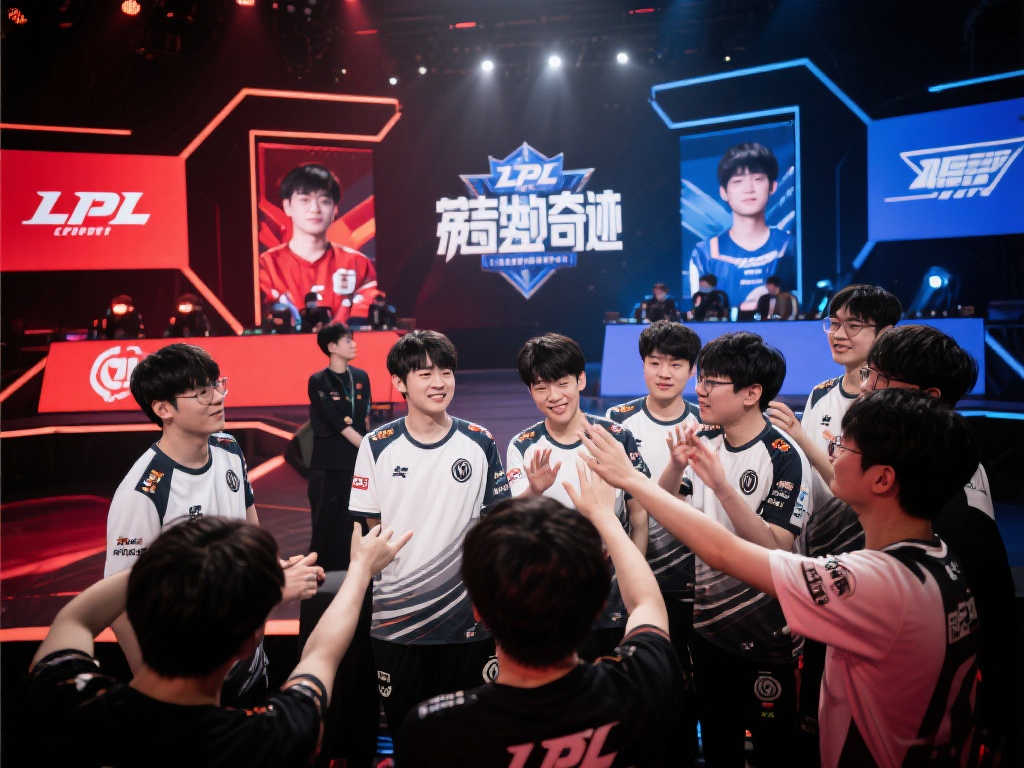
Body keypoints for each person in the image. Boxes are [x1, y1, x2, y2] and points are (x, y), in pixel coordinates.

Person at [579, 388, 982, 768]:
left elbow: (723, 552)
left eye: (843, 447)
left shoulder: (875, 583)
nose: (832, 453)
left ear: (882, 479)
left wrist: (627, 483)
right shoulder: (942, 558)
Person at [774, 323, 1015, 761]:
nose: (866, 388)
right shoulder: (929, 465)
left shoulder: (947, 504)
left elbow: (988, 607)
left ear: (929, 397)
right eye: (869, 374)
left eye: (881, 379)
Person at [28, 516, 411, 767]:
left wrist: (177, 565)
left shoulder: (65, 697)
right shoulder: (271, 738)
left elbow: (75, 618)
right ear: (250, 641)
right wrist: (360, 569)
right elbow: (321, 655)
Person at [399, 488, 686, 767]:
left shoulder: (435, 731)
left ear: (478, 613)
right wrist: (605, 518)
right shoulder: (641, 682)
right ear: (599, 605)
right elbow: (646, 603)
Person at [103, 343, 323, 706]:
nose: (217, 398)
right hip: (186, 679)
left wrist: (277, 570)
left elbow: (251, 535)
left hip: (248, 658)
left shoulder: (228, 448)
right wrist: (155, 693)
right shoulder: (143, 491)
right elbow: (119, 606)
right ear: (163, 409)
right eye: (201, 392)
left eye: (216, 385)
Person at [657, 331, 811, 767]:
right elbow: (665, 508)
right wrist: (675, 465)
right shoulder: (705, 439)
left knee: (774, 750)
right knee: (718, 745)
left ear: (752, 393)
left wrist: (723, 487)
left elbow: (776, 548)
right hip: (708, 628)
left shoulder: (785, 456)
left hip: (770, 637)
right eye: (701, 379)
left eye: (712, 382)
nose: (700, 391)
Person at [348, 330, 511, 742]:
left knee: (473, 742)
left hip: (468, 622)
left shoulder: (479, 441)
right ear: (399, 382)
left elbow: (497, 528)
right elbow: (369, 531)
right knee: (409, 738)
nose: (439, 383)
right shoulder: (376, 445)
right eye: (425, 374)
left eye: (446, 372)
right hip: (396, 623)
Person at [763, 284, 902, 763]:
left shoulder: (891, 406)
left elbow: (858, 488)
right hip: (820, 563)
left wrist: (802, 438)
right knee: (818, 698)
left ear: (885, 333)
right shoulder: (821, 394)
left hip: (873, 568)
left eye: (854, 325)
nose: (839, 334)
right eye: (834, 323)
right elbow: (810, 482)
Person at [506, 332, 650, 658]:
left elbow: (639, 518)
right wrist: (535, 489)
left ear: (581, 380)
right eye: (541, 388)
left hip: (614, 597)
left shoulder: (616, 438)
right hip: (550, 597)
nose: (554, 396)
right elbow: (512, 521)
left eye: (562, 383)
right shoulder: (523, 445)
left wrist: (631, 582)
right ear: (530, 391)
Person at [605, 319, 702, 762]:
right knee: (638, 690)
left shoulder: (706, 422)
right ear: (642, 364)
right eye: (655, 362)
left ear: (691, 370)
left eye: (676, 364)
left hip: (694, 580)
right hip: (631, 581)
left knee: (688, 689)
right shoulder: (616, 422)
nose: (664, 373)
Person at [258, 163, 378, 324]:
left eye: (324, 201)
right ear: (287, 206)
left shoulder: (358, 264)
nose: (315, 209)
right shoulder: (266, 265)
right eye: (304, 200)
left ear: (335, 209)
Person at [687, 143, 793, 312]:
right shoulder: (705, 253)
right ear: (723, 192)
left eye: (757, 179)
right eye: (738, 181)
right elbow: (697, 309)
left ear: (772, 186)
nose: (749, 189)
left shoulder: (789, 246)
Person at [307, 323, 371, 570]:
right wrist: (369, 447)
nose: (354, 344)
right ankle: (323, 571)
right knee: (326, 517)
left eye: (353, 339)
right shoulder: (318, 381)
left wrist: (367, 450)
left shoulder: (361, 377)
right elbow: (336, 422)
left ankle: (360, 565)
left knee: (357, 516)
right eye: (347, 340)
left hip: (357, 461)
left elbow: (365, 418)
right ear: (332, 347)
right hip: (328, 463)